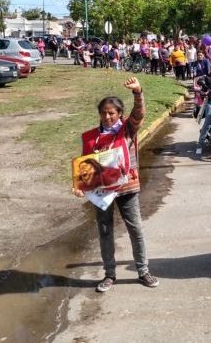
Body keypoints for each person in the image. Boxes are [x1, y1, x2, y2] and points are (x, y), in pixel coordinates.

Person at [71, 77, 159, 292]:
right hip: (102, 193)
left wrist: (138, 93)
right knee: (104, 230)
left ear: (120, 114)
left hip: (126, 187)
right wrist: (79, 186)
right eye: (104, 113)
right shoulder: (92, 138)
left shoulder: (127, 130)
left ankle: (143, 271)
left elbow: (139, 114)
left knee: (135, 228)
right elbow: (85, 166)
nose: (108, 117)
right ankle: (110, 274)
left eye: (112, 113)